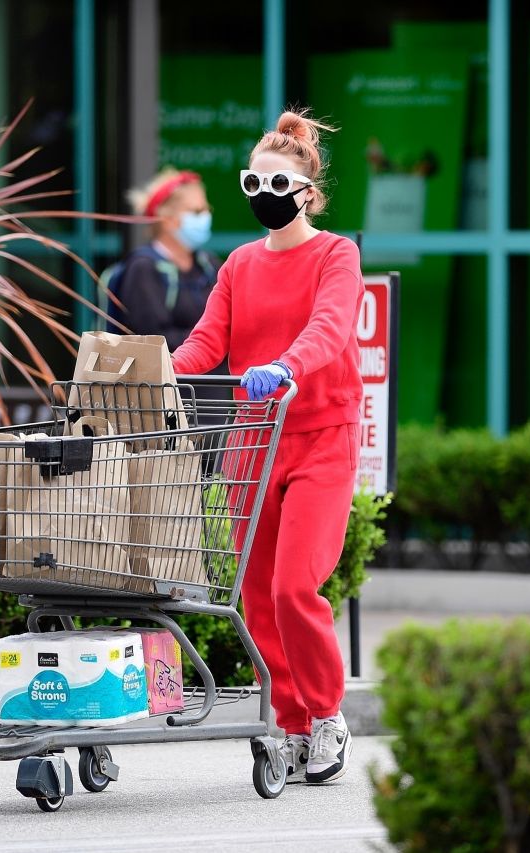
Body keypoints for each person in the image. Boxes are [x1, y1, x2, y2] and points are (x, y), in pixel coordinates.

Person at [171, 109, 362, 785]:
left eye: (276, 181)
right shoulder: (239, 263)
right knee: (255, 594)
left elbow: (333, 327)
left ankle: (326, 712)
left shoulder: (336, 254)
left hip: (319, 436)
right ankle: (288, 722)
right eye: (253, 180)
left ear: (306, 192)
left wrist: (286, 365)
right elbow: (206, 340)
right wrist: (160, 367)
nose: (262, 192)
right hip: (254, 443)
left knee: (291, 584)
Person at [109, 168, 220, 352]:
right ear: (167, 220)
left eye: (207, 209)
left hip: (209, 376)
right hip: (165, 378)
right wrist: (210, 339)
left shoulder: (208, 264)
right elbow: (151, 340)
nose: (206, 217)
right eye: (197, 211)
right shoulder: (143, 268)